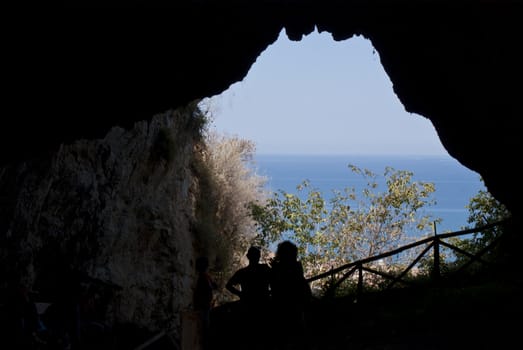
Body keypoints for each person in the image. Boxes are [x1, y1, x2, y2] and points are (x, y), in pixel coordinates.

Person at [225, 246, 271, 348]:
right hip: (264, 308)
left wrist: (241, 294)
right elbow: (276, 283)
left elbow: (228, 285)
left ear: (248, 256)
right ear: (259, 256)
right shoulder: (265, 269)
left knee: (248, 337)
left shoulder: (242, 272)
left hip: (247, 308)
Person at [269, 240, 312, 349]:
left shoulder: (278, 268)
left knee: (284, 334)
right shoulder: (296, 267)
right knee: (298, 331)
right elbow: (301, 284)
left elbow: (275, 286)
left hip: (281, 305)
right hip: (295, 304)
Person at [193, 256, 217, 350]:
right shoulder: (203, 277)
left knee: (204, 333)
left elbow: (214, 286)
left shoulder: (205, 276)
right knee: (204, 334)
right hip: (203, 309)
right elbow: (209, 289)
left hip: (204, 308)